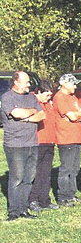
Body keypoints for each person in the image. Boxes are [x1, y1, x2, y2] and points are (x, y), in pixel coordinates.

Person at [1, 71, 45, 221]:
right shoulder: (7, 97)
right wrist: (32, 112)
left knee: (28, 178)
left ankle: (23, 209)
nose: (29, 84)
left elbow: (42, 115)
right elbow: (16, 113)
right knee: (17, 178)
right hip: (15, 144)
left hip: (32, 143)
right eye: (26, 81)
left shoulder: (31, 97)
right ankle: (13, 211)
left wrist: (28, 117)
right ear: (16, 82)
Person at [53, 74, 81, 206]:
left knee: (74, 168)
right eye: (73, 83)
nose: (75, 86)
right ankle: (62, 197)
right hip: (65, 138)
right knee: (66, 168)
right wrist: (76, 116)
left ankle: (71, 194)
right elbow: (73, 116)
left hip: (76, 137)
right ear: (64, 84)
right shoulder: (60, 97)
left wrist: (76, 116)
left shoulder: (73, 97)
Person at [28, 80, 59, 212]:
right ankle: (32, 199)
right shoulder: (33, 102)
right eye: (46, 95)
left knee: (46, 173)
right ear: (39, 92)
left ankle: (44, 200)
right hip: (38, 142)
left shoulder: (49, 104)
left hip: (49, 142)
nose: (49, 98)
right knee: (35, 172)